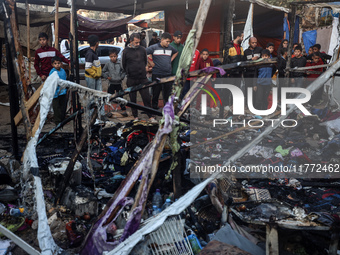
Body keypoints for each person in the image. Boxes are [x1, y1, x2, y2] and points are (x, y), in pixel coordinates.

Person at [122, 33, 155, 122]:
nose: (138, 44)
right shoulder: (125, 51)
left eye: (138, 42)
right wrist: (131, 71)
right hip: (131, 78)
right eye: (136, 42)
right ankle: (135, 116)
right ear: (131, 41)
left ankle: (150, 116)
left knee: (146, 98)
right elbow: (124, 65)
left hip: (142, 78)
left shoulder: (143, 50)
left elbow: (145, 61)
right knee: (133, 99)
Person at [146, 32, 178, 109]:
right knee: (156, 92)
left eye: (169, 42)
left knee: (167, 93)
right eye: (167, 41)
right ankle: (154, 107)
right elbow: (144, 52)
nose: (168, 43)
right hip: (157, 73)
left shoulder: (170, 48)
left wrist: (170, 60)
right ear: (162, 40)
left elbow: (176, 52)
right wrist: (150, 62)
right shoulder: (154, 47)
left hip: (167, 74)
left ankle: (166, 108)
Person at [102, 49, 127, 117]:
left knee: (121, 97)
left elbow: (124, 71)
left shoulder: (120, 64)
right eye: (111, 56)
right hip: (111, 83)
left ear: (117, 56)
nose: (113, 58)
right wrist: (107, 77)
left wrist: (121, 77)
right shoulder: (108, 64)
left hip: (119, 83)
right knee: (109, 97)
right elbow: (103, 71)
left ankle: (123, 110)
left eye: (114, 56)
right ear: (109, 57)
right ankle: (108, 111)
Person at [85, 35, 105, 116]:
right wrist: (96, 74)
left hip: (95, 77)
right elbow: (88, 68)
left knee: (99, 96)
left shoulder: (93, 53)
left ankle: (101, 114)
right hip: (92, 78)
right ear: (96, 43)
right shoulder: (90, 54)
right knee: (92, 97)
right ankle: (90, 115)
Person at [223, 31, 244, 108]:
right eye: (242, 37)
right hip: (230, 73)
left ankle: (233, 105)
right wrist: (227, 72)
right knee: (228, 89)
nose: (242, 38)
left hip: (238, 73)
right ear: (237, 37)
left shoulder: (241, 47)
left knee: (236, 90)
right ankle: (225, 105)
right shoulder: (228, 47)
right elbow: (225, 60)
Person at [49, 56, 68, 126]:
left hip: (63, 92)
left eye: (58, 63)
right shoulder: (52, 72)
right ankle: (57, 122)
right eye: (55, 63)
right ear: (52, 65)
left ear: (61, 63)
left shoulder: (63, 71)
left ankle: (62, 120)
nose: (57, 65)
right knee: (56, 108)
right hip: (55, 93)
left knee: (63, 107)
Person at [243, 37, 262, 102]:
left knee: (257, 89)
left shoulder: (260, 50)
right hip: (248, 73)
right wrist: (251, 60)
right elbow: (244, 62)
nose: (254, 44)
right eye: (253, 43)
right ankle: (248, 104)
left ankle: (256, 104)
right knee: (248, 89)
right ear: (249, 43)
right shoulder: (246, 52)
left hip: (257, 72)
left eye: (255, 42)